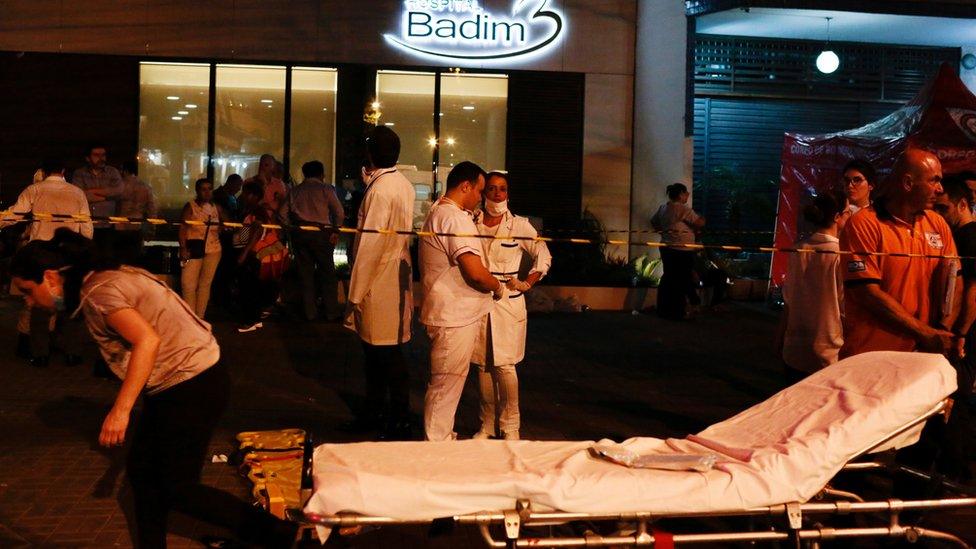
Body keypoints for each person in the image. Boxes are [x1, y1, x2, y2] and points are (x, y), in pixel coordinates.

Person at [9, 230, 297, 549]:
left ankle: (279, 534)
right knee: (143, 476)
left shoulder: (99, 291)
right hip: (181, 381)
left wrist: (120, 410)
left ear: (50, 277)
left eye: (27, 291)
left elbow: (147, 340)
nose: (28, 301)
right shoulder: (102, 279)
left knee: (177, 487)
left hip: (193, 382)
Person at [840, 148, 960, 359]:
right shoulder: (864, 224)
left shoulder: (937, 223)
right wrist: (925, 333)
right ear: (907, 183)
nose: (940, 189)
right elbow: (866, 293)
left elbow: (955, 278)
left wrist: (941, 330)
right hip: (871, 357)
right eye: (934, 180)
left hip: (922, 354)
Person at [420, 161, 505, 441]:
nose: (482, 197)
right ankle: (437, 445)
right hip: (452, 316)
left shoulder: (441, 211)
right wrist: (497, 286)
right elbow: (475, 271)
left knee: (447, 384)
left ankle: (442, 438)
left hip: (450, 312)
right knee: (446, 385)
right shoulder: (453, 218)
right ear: (465, 186)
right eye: (480, 191)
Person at [343, 127, 416, 438]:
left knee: (379, 356)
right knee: (390, 353)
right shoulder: (403, 185)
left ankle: (387, 417)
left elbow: (370, 246)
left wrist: (355, 293)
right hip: (395, 273)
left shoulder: (380, 190)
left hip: (377, 279)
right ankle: (391, 414)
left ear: (370, 154)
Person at [471, 171, 551, 440]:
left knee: (505, 366)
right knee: (482, 365)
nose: (496, 194)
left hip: (508, 300)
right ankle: (486, 424)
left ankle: (511, 425)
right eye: (491, 189)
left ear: (508, 194)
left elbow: (543, 254)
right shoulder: (471, 221)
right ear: (483, 193)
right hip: (479, 299)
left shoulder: (518, 225)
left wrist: (527, 282)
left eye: (502, 189)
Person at [2, 157, 93, 367]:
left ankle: (40, 353)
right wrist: (85, 248)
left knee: (41, 305)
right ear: (63, 170)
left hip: (41, 253)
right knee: (70, 301)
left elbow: (15, 214)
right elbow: (86, 224)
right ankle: (73, 353)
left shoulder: (35, 189)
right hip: (68, 252)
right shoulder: (77, 192)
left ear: (43, 171)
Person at [775, 188, 849, 382]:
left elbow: (788, 298)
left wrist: (780, 337)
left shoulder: (799, 248)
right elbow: (843, 306)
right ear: (837, 216)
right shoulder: (839, 254)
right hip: (827, 350)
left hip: (794, 348)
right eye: (848, 212)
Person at [279, 160, 344, 321]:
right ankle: (331, 312)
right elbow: (339, 212)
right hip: (322, 233)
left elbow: (282, 214)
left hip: (300, 233)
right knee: (328, 274)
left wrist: (291, 229)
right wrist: (336, 230)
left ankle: (310, 313)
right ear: (321, 174)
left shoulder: (295, 191)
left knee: (305, 274)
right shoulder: (326, 189)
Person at [650, 183, 705, 320]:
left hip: (666, 247)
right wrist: (703, 218)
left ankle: (664, 310)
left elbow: (654, 222)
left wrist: (664, 233)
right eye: (686, 193)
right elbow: (700, 223)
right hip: (682, 249)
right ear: (680, 194)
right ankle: (679, 310)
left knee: (668, 277)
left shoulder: (664, 208)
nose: (687, 196)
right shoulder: (682, 209)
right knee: (682, 278)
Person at [235, 181, 285, 333]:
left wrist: (245, 252)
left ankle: (249, 320)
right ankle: (254, 319)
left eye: (245, 193)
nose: (242, 195)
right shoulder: (257, 209)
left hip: (253, 254)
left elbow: (256, 230)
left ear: (253, 196)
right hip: (254, 253)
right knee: (254, 287)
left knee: (248, 288)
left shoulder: (257, 210)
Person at [179, 178, 222, 319]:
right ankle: (190, 316)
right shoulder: (190, 206)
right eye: (203, 189)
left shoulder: (217, 207)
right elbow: (183, 228)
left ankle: (200, 317)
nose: (207, 192)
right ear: (197, 191)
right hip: (194, 248)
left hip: (213, 248)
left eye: (209, 189)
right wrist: (183, 247)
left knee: (205, 284)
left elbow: (225, 223)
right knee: (188, 283)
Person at [117, 160, 158, 263]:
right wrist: (152, 229)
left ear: (124, 171)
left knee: (119, 257)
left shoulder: (118, 187)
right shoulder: (145, 187)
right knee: (135, 257)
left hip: (119, 225)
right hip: (137, 224)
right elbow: (152, 209)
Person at [71, 143, 124, 221]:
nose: (101, 158)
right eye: (96, 155)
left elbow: (119, 191)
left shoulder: (113, 172)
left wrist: (92, 191)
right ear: (87, 158)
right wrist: (108, 197)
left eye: (103, 155)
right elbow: (79, 196)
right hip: (86, 221)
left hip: (109, 222)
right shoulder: (80, 173)